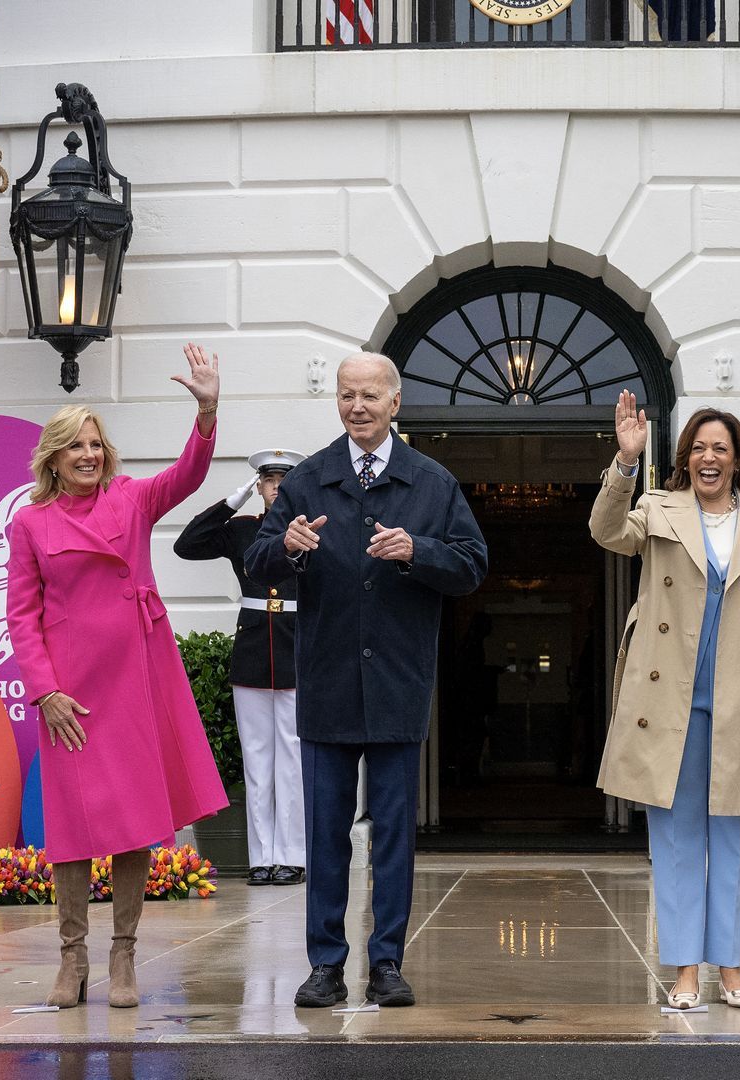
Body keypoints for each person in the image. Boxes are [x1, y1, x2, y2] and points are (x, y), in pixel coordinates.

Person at [246, 352, 488, 1010]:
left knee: (391, 838)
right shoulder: (307, 480)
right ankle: (324, 964)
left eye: (370, 396)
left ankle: (387, 964)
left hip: (398, 687)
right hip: (325, 684)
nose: (358, 406)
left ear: (395, 402)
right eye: (347, 395)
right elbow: (259, 556)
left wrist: (419, 551)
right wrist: (288, 545)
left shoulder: (431, 483)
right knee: (324, 836)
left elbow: (472, 564)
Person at [6, 344, 230, 1010]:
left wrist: (208, 409)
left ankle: (124, 957)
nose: (89, 455)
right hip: (71, 693)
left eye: (97, 445)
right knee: (72, 831)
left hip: (134, 679)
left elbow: (188, 476)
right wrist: (45, 690)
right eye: (76, 446)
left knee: (134, 824)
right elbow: (22, 616)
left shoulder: (131, 502)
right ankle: (71, 960)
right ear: (53, 457)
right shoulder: (29, 524)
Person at [591, 392, 740, 1011]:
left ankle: (731, 968)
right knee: (676, 841)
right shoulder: (657, 509)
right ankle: (686, 969)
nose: (709, 457)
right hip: (669, 703)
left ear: (738, 458)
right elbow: (605, 531)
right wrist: (624, 461)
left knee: (730, 840)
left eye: (720, 447)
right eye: (698, 448)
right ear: (685, 459)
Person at [175, 448, 309, 888]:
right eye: (269, 481)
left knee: (291, 758)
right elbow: (187, 545)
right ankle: (261, 858)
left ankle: (291, 854)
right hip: (253, 650)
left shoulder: (309, 532)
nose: (277, 488)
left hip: (294, 649)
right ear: (260, 486)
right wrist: (232, 500)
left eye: (284, 481)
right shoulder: (242, 530)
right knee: (257, 760)